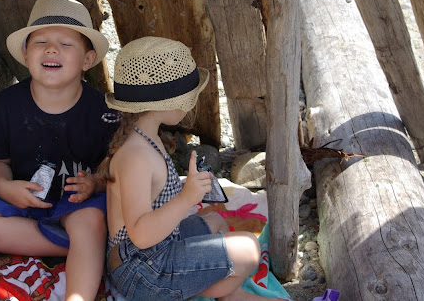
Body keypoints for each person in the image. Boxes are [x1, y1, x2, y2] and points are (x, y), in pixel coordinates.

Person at [0, 0, 119, 301]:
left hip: (76, 203)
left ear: (87, 60)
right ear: (26, 53)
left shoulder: (103, 111)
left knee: (91, 221)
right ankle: (81, 248)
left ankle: (78, 293)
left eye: (65, 44)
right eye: (40, 41)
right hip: (22, 197)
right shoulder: (5, 105)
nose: (51, 49)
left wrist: (96, 183)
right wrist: (4, 187)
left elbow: (115, 165)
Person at [98, 36, 284, 301]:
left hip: (155, 251)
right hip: (142, 274)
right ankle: (223, 293)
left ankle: (224, 289)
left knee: (215, 221)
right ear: (168, 102)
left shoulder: (145, 137)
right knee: (249, 248)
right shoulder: (136, 157)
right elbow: (140, 235)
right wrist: (186, 198)